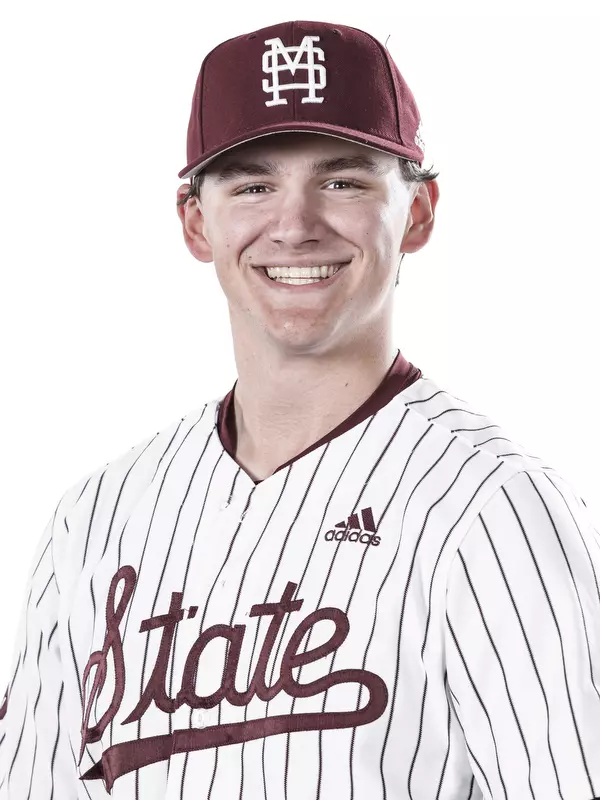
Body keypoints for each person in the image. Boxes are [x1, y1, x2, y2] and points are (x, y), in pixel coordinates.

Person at [1, 18, 599, 800]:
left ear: (416, 213)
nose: (294, 225)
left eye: (343, 181)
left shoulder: (493, 510)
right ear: (194, 221)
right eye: (253, 185)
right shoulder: (95, 519)